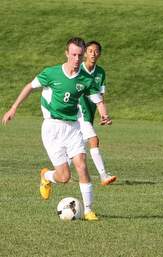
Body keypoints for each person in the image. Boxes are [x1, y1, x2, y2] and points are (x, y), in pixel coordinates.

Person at [2, 37, 112, 221]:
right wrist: (13, 108)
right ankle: (46, 176)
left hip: (73, 128)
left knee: (82, 165)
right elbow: (30, 86)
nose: (77, 59)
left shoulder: (86, 79)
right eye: (74, 54)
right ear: (67, 54)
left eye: (79, 55)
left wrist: (104, 115)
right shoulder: (51, 73)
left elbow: (98, 99)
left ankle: (89, 210)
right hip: (52, 128)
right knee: (64, 177)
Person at [78, 40, 117, 186]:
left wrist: (103, 115)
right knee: (94, 140)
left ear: (99, 54)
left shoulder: (100, 72)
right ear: (85, 53)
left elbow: (100, 97)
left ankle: (50, 175)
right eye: (90, 51)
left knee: (77, 148)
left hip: (90, 112)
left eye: (96, 51)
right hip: (78, 112)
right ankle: (103, 175)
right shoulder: (78, 70)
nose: (93, 54)